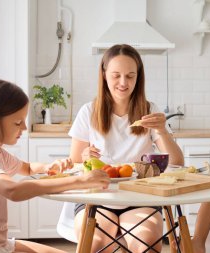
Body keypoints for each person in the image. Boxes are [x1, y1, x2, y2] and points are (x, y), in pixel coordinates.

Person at [0, 79, 110, 253]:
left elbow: (28, 168)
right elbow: (13, 191)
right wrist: (80, 181)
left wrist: (48, 167)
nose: (24, 127)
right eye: (17, 122)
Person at [68, 44, 184, 252]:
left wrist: (163, 131)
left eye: (130, 76)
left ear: (138, 77)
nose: (123, 83)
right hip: (98, 198)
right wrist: (84, 156)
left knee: (145, 244)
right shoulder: (88, 112)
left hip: (141, 199)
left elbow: (177, 162)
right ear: (104, 75)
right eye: (116, 75)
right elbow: (75, 162)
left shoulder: (149, 111)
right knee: (95, 244)